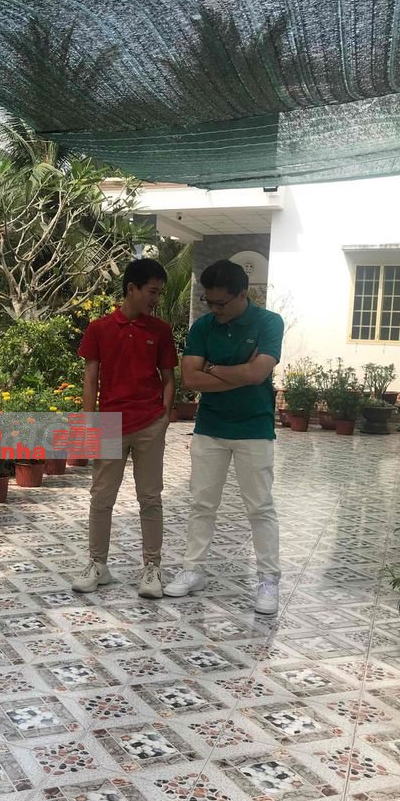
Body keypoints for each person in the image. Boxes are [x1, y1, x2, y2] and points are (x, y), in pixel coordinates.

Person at [163, 259, 284, 615]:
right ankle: (193, 570)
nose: (214, 309)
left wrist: (213, 368)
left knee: (260, 507)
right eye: (209, 301)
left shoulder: (268, 322)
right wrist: (240, 372)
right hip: (210, 428)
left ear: (243, 294)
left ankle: (268, 579)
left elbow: (258, 373)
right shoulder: (202, 327)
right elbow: (191, 379)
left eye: (221, 303)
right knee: (201, 504)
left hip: (254, 428)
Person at [72, 258, 177, 598]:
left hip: (149, 424)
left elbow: (168, 378)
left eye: (159, 293)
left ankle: (152, 568)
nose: (156, 299)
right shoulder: (99, 329)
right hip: (109, 423)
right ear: (132, 288)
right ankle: (97, 565)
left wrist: (163, 417)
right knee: (101, 498)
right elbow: (90, 378)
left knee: (150, 498)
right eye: (152, 291)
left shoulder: (160, 331)